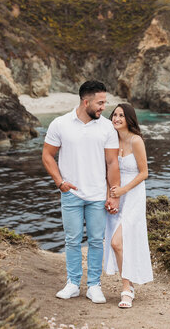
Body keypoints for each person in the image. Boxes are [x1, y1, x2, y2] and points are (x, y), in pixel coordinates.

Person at [41, 80, 120, 304]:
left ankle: (94, 285)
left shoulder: (106, 127)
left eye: (105, 102)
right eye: (100, 102)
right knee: (72, 240)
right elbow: (47, 155)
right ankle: (73, 284)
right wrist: (60, 182)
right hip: (71, 195)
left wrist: (113, 195)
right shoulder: (60, 124)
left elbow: (112, 162)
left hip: (97, 196)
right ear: (86, 102)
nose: (104, 107)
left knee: (96, 241)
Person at [103, 103, 153, 308]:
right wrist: (110, 196)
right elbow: (106, 170)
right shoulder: (111, 141)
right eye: (114, 115)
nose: (116, 118)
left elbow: (144, 173)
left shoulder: (136, 141)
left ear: (129, 119)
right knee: (120, 243)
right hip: (116, 195)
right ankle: (128, 285)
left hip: (133, 196)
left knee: (117, 242)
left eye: (121, 115)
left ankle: (127, 287)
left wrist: (124, 191)